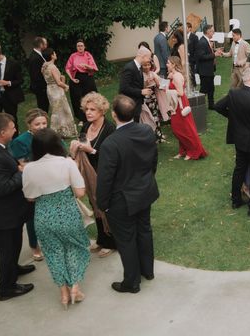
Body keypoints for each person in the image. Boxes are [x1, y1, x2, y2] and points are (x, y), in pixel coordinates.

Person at [96, 95, 160, 294]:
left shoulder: (110, 143)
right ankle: (147, 271)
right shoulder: (146, 131)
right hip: (144, 192)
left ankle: (131, 282)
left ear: (113, 115)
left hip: (121, 200)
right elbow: (153, 162)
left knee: (126, 240)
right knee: (144, 231)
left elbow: (105, 178)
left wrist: (103, 203)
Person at [22, 128, 90, 308]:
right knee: (75, 248)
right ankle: (75, 286)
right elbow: (80, 192)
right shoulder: (67, 163)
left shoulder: (28, 168)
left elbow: (29, 197)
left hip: (43, 217)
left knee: (53, 254)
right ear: (56, 144)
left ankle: (64, 294)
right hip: (68, 214)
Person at [0, 113, 35, 301]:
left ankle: (14, 268)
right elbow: (2, 188)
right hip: (4, 212)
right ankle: (6, 288)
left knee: (14, 244)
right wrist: (22, 172)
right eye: (12, 128)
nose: (15, 130)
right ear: (2, 132)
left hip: (10, 210)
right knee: (7, 249)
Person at [215, 67, 250, 216]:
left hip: (239, 139)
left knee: (239, 169)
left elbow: (218, 106)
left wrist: (232, 117)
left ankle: (236, 200)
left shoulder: (234, 93)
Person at [73, 92, 116, 257]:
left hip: (103, 173)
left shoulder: (109, 128)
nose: (88, 112)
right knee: (94, 205)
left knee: (105, 206)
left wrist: (90, 150)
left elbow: (111, 155)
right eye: (87, 109)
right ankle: (101, 238)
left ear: (102, 111)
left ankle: (111, 241)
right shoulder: (85, 126)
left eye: (93, 109)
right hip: (88, 173)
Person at [9, 108, 48, 261]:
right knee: (32, 216)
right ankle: (34, 245)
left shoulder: (50, 135)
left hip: (50, 181)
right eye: (37, 124)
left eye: (44, 123)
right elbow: (24, 165)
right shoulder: (20, 141)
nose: (42, 127)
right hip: (32, 182)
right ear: (29, 125)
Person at [166, 56, 207, 160]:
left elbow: (180, 92)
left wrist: (167, 91)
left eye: (168, 63)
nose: (166, 65)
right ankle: (183, 150)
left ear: (173, 65)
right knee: (180, 129)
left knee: (183, 129)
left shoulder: (177, 76)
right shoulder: (172, 75)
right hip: (176, 105)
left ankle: (193, 150)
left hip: (181, 105)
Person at [0, 43, 25, 135]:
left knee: (11, 117)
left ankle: (15, 138)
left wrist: (8, 83)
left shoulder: (13, 64)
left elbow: (20, 80)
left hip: (8, 95)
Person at [42, 48, 78, 138]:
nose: (56, 54)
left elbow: (50, 79)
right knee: (63, 110)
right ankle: (64, 131)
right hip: (56, 90)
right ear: (52, 55)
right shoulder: (52, 67)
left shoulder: (44, 66)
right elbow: (58, 82)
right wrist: (66, 86)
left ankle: (59, 131)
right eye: (54, 53)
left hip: (50, 89)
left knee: (56, 110)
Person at [65, 39, 98, 123]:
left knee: (91, 97)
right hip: (76, 78)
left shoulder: (88, 55)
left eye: (81, 46)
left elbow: (94, 68)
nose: (80, 47)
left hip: (87, 77)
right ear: (76, 47)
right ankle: (81, 118)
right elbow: (67, 68)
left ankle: (95, 114)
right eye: (78, 46)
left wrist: (86, 66)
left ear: (84, 47)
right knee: (77, 98)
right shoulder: (73, 56)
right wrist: (71, 78)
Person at [119, 46, 153, 122]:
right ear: (144, 56)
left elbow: (135, 84)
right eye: (149, 58)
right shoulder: (129, 68)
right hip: (130, 105)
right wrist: (141, 92)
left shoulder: (139, 67)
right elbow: (123, 88)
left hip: (136, 103)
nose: (149, 60)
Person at [196, 24, 221, 109]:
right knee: (204, 90)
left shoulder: (206, 40)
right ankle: (199, 105)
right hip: (204, 71)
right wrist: (214, 54)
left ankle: (211, 105)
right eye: (212, 31)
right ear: (208, 31)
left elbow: (206, 52)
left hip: (208, 70)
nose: (213, 33)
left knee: (211, 89)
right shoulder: (202, 42)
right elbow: (201, 56)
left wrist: (214, 50)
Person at [140, 58, 165, 142]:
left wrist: (155, 80)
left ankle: (159, 135)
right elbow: (140, 89)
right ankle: (150, 137)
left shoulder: (153, 74)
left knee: (156, 117)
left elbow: (159, 86)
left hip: (153, 100)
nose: (147, 67)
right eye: (145, 65)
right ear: (141, 66)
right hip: (145, 101)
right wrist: (146, 83)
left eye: (148, 65)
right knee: (148, 118)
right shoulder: (140, 75)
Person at [27, 36, 49, 112]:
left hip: (42, 87)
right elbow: (36, 75)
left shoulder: (39, 55)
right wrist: (44, 86)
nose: (46, 45)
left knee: (45, 106)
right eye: (44, 44)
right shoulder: (35, 57)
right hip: (40, 88)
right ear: (40, 44)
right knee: (43, 106)